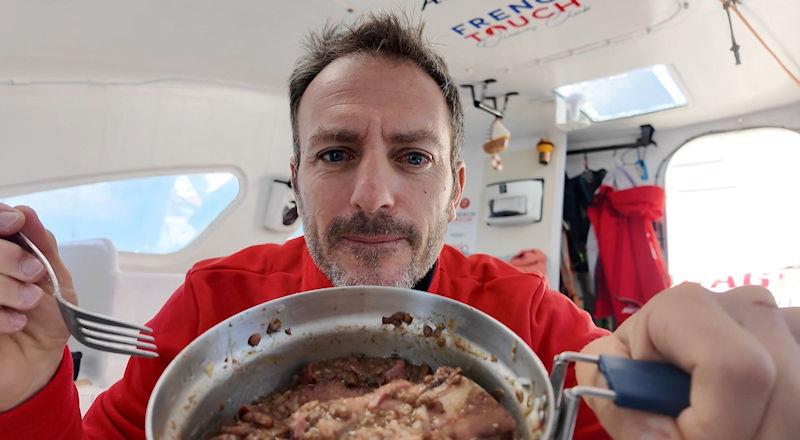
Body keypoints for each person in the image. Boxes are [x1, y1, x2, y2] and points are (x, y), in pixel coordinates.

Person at [0, 13, 798, 440]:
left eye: (412, 157)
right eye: (338, 153)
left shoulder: (526, 321)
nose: (373, 194)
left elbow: (624, 408)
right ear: (298, 181)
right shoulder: (216, 306)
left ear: (455, 191)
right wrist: (28, 386)